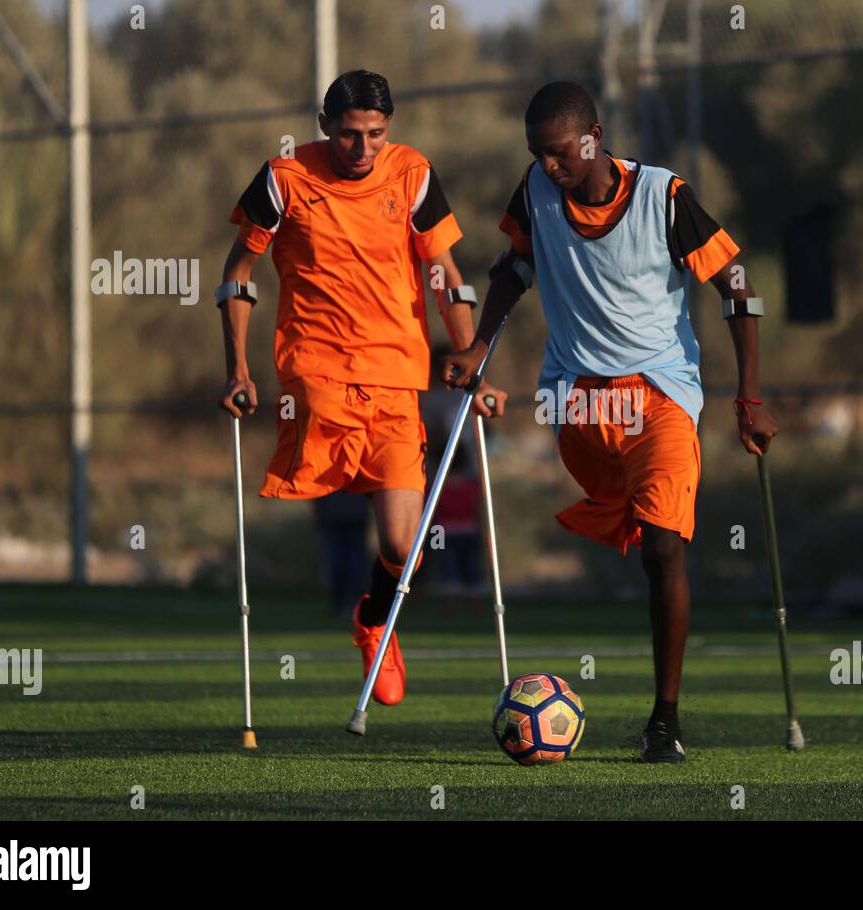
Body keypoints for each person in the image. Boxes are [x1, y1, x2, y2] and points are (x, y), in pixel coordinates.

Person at [443, 82, 777, 762]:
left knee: (663, 546)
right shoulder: (535, 190)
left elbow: (736, 284)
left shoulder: (664, 196)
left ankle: (665, 720)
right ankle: (637, 521)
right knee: (635, 527)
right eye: (538, 153)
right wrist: (479, 344)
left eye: (560, 152)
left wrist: (750, 394)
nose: (549, 165)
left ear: (593, 138)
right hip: (577, 402)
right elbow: (514, 267)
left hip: (661, 395)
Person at [215, 70, 507, 706]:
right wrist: (237, 367)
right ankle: (346, 567)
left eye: (376, 134)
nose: (364, 149)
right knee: (338, 494)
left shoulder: (412, 173)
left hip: (398, 376)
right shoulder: (284, 178)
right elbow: (239, 271)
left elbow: (446, 272)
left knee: (406, 545)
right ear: (325, 127)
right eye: (350, 135)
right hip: (316, 374)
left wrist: (471, 364)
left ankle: (374, 619)